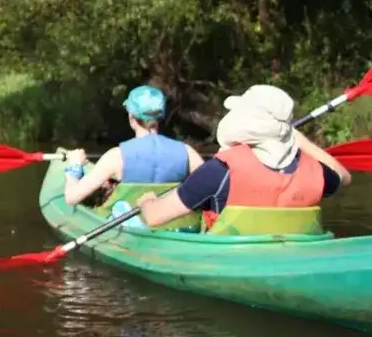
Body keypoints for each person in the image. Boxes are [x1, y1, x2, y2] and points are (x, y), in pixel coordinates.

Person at [135, 84, 352, 229]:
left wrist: (148, 202)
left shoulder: (218, 171)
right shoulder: (315, 172)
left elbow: (154, 218)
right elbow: (343, 175)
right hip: (290, 256)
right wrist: (299, 140)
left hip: (228, 257)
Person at [63, 85, 204, 206]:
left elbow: (71, 198)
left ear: (131, 117)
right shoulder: (187, 152)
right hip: (171, 224)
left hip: (130, 226)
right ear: (160, 116)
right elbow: (212, 185)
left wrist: (74, 168)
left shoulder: (116, 157)